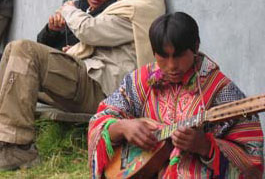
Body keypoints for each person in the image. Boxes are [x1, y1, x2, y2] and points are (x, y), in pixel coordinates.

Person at [0, 0, 166, 170]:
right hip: (91, 78)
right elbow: (97, 38)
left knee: (23, 50)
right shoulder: (134, 8)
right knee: (13, 53)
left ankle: (17, 150)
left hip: (100, 88)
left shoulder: (136, 8)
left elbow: (90, 31)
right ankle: (6, 143)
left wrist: (67, 8)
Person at [88, 12, 264, 178]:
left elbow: (251, 158)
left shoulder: (221, 89)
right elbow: (101, 118)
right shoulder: (140, 81)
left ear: (195, 47)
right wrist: (123, 127)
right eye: (163, 56)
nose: (171, 66)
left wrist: (205, 146)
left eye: (178, 55)